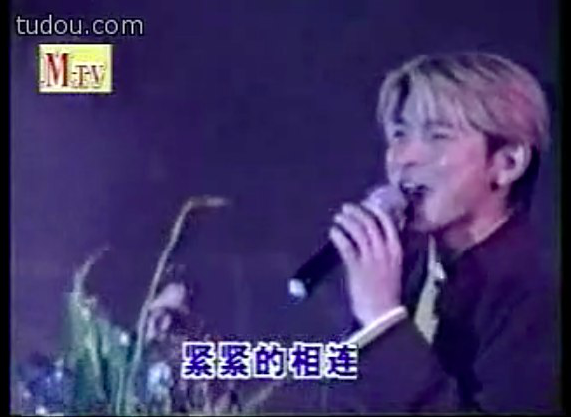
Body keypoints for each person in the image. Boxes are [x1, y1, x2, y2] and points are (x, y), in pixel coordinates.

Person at [257, 52, 559, 413]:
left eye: (438, 136)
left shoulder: (538, 297)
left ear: (508, 162)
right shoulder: (407, 266)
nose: (404, 157)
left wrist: (383, 320)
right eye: (399, 134)